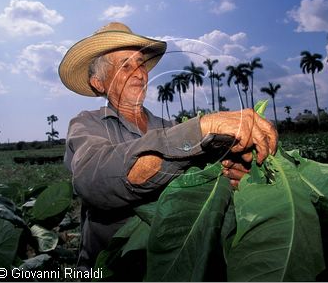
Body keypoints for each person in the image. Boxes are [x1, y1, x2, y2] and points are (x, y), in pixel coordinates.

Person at [58, 22, 278, 270]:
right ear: (99, 83)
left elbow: (202, 185)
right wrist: (200, 128)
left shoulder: (169, 127)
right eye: (125, 65)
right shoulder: (87, 124)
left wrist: (234, 178)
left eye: (141, 63)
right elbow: (94, 181)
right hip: (112, 269)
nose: (140, 73)